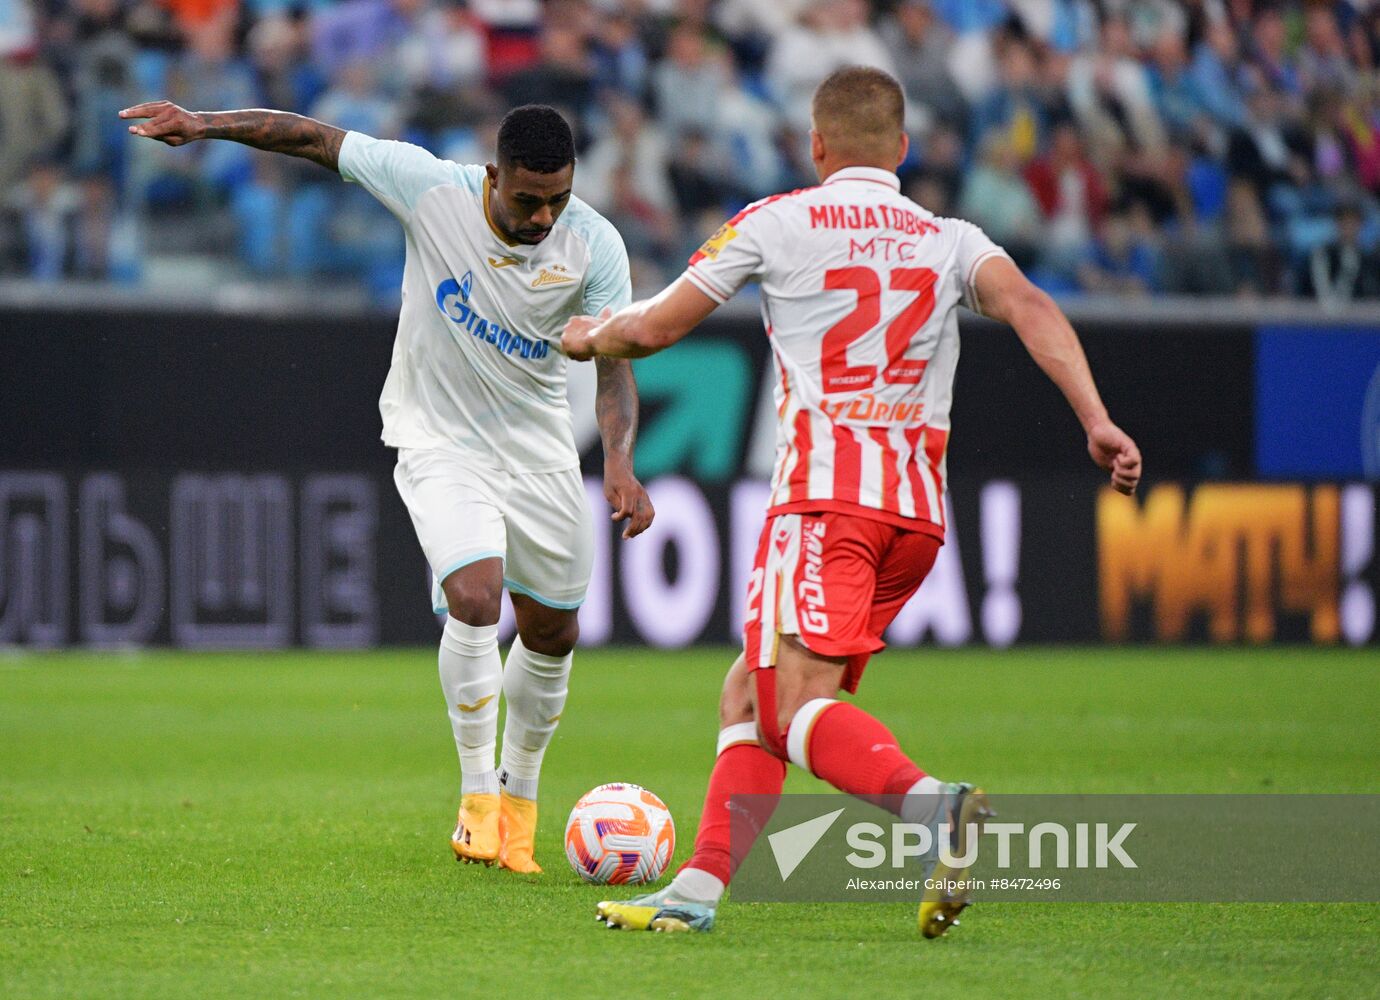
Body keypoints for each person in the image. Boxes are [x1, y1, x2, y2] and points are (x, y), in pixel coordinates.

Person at [562, 66, 1141, 938]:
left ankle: (932, 809)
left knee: (787, 706)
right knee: (750, 702)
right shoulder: (951, 238)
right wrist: (1095, 419)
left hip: (824, 503)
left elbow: (651, 328)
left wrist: (586, 335)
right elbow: (1030, 305)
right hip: (913, 517)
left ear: (817, 144)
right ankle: (697, 892)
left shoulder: (778, 220)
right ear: (903, 150)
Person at [122, 99, 654, 874]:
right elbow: (312, 138)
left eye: (557, 200)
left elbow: (614, 365)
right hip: (435, 437)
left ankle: (519, 798)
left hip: (536, 449)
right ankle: (476, 800)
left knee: (553, 632)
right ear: (493, 174)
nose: (542, 216)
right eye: (527, 199)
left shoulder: (595, 245)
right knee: (475, 595)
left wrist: (618, 461)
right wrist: (202, 124)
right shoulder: (429, 188)